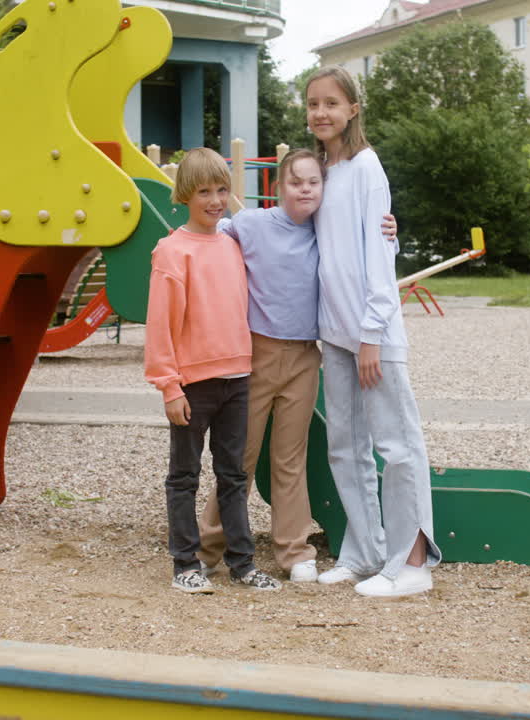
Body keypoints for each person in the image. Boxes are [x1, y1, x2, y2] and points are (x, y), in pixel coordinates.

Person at [195, 150, 400, 584]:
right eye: (296, 182)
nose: (305, 189)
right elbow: (209, 237)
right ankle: (209, 546)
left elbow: (370, 252)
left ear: (323, 190)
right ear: (278, 188)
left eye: (313, 182)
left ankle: (293, 550)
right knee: (240, 456)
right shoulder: (251, 224)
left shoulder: (327, 231)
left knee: (290, 457)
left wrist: (392, 233)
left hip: (306, 357)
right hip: (256, 356)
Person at [305, 65, 441, 598]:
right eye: (313, 104)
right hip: (333, 331)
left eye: (331, 104)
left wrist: (371, 333)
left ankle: (412, 564)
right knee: (345, 447)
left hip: (371, 332)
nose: (321, 113)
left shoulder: (366, 168)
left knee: (397, 444)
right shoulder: (320, 170)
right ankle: (362, 553)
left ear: (352, 109)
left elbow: (379, 255)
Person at [143, 147, 282, 594]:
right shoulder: (171, 251)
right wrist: (169, 386)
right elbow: (161, 326)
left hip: (237, 379)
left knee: (234, 476)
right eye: (204, 191)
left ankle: (242, 565)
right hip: (191, 383)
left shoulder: (232, 245)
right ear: (185, 195)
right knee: (184, 476)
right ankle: (185, 563)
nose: (215, 199)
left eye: (222, 190)